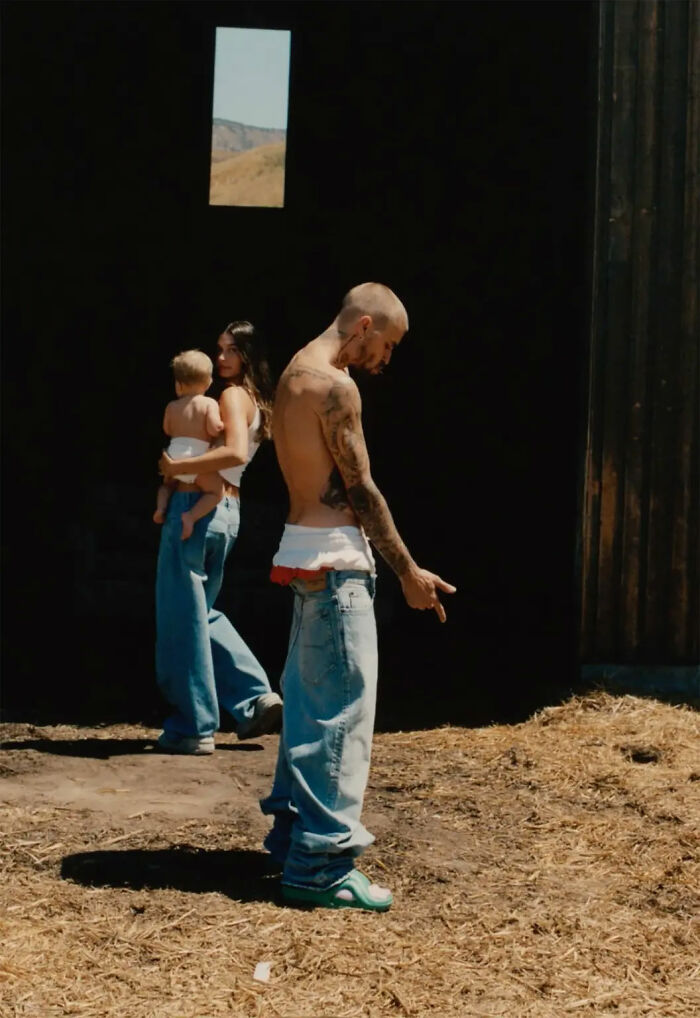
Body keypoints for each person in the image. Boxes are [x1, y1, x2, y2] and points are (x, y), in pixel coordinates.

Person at [260, 282, 456, 911]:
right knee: (342, 716)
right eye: (388, 345)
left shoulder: (295, 372)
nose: (386, 359)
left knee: (307, 706)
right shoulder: (336, 387)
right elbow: (362, 490)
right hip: (337, 563)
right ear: (364, 325)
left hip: (302, 552)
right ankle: (320, 866)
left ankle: (291, 837)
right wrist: (408, 572)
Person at [155, 321, 282, 754]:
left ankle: (194, 726)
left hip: (197, 505)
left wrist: (176, 468)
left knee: (181, 618)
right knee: (201, 613)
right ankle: (254, 697)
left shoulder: (229, 396)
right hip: (226, 510)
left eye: (232, 350)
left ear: (248, 355)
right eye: (220, 349)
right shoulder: (256, 401)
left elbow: (234, 452)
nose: (222, 357)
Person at [153, 349, 226, 541]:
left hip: (173, 456)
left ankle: (160, 508)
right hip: (196, 459)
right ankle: (191, 516)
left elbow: (167, 429)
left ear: (178, 385)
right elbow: (214, 429)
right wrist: (223, 426)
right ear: (209, 382)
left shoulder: (172, 406)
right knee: (216, 492)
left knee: (166, 486)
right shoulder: (208, 403)